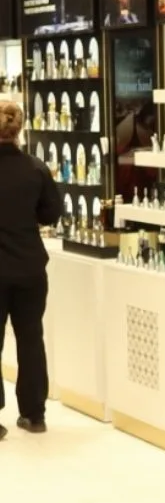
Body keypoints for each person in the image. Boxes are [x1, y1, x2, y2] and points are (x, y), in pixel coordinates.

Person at [0, 96, 63, 439]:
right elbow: (51, 214)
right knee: (31, 339)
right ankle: (34, 413)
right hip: (29, 267)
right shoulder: (36, 168)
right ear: (19, 129)